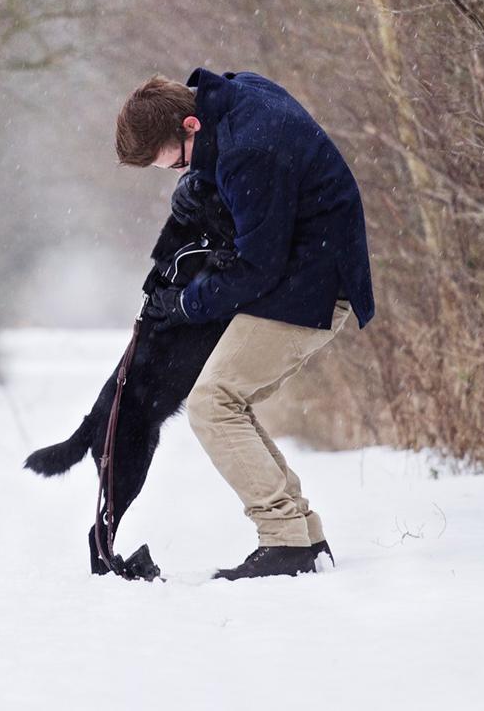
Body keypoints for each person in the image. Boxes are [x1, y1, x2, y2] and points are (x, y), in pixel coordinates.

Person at [114, 68, 374, 581]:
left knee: (213, 402)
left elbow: (258, 265)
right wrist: (198, 178)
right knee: (227, 398)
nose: (178, 174)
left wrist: (187, 305)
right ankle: (301, 534)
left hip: (315, 288)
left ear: (190, 124)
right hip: (307, 274)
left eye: (176, 163)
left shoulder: (248, 151)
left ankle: (285, 541)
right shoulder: (237, 96)